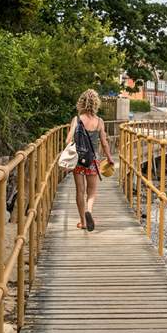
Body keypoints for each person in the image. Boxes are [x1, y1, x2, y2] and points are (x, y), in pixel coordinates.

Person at [70, 89, 113, 231]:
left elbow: (67, 140)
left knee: (79, 191)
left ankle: (82, 221)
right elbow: (104, 142)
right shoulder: (99, 121)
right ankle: (89, 210)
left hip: (78, 159)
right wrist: (109, 158)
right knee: (92, 190)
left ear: (81, 103)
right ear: (96, 104)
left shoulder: (76, 120)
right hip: (93, 161)